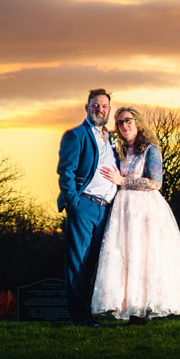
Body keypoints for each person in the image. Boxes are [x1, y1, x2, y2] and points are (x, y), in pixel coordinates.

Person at [90, 106, 180, 322]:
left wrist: (122, 181)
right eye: (119, 122)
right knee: (126, 255)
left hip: (145, 209)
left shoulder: (150, 149)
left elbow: (155, 182)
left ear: (137, 122)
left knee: (145, 255)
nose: (124, 125)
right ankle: (129, 307)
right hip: (123, 210)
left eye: (128, 120)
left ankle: (145, 308)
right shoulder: (120, 149)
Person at [57, 87, 117, 327]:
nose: (99, 109)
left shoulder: (112, 138)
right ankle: (79, 316)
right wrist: (74, 202)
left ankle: (90, 313)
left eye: (103, 106)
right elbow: (66, 171)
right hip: (85, 205)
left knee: (95, 262)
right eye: (95, 105)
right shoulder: (76, 135)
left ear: (109, 110)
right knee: (78, 261)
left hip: (107, 209)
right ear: (87, 107)